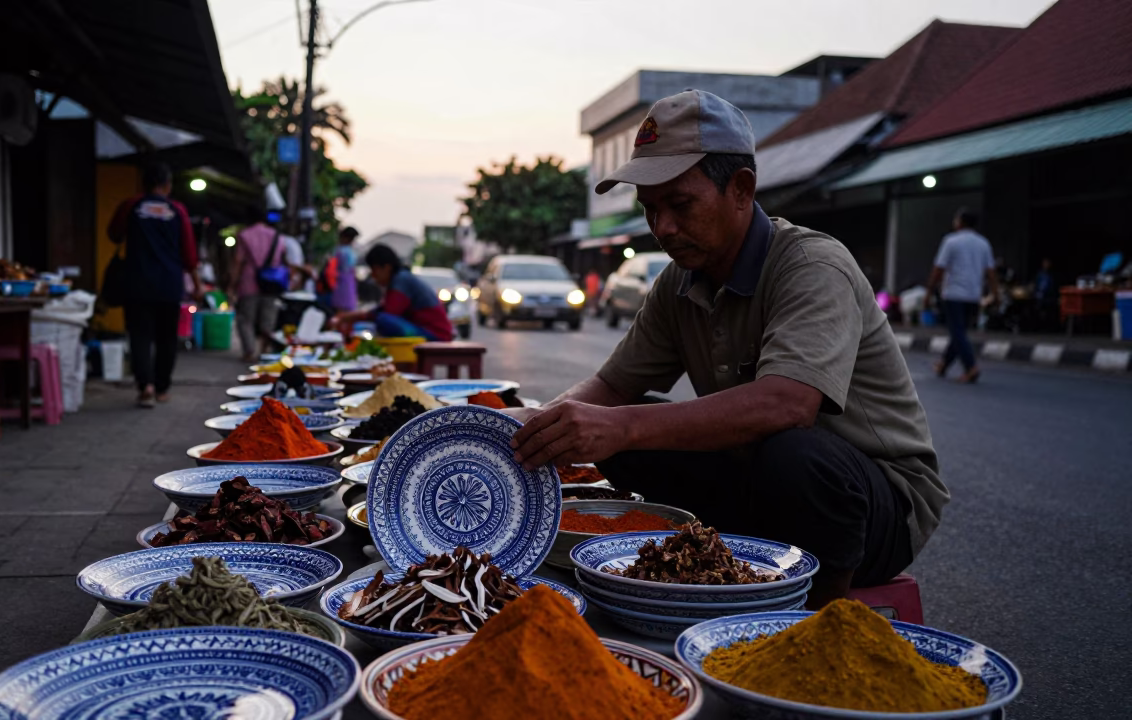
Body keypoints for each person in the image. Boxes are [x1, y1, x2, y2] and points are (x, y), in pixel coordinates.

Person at [507, 91, 946, 609]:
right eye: (651, 210)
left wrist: (619, 426)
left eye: (680, 205)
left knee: (793, 452)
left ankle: (818, 618)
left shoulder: (812, 265)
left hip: (875, 509)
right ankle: (706, 569)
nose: (662, 228)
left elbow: (787, 404)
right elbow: (611, 387)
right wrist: (533, 428)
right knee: (630, 428)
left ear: (740, 190)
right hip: (757, 483)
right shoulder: (679, 282)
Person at [107, 162, 203, 408]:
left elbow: (114, 234)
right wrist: (197, 285)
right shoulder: (178, 211)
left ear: (144, 184)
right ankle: (161, 389)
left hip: (137, 283)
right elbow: (189, 255)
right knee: (167, 338)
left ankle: (145, 386)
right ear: (167, 185)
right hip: (169, 285)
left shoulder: (131, 206)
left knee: (139, 336)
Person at [924, 209, 1000, 384]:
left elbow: (938, 269)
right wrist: (996, 294)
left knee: (957, 331)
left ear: (960, 222)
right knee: (959, 332)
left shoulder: (951, 241)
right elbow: (991, 272)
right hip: (974, 295)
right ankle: (944, 364)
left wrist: (929, 292)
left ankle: (971, 367)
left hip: (954, 294)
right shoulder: (983, 243)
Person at [332, 245, 454, 341]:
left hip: (436, 334)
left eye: (375, 271)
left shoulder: (401, 280)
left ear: (387, 267)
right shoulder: (399, 279)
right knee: (367, 326)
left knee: (383, 321)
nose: (374, 276)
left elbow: (389, 313)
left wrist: (352, 317)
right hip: (425, 329)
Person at [229, 206, 285, 362]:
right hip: (272, 282)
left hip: (249, 282)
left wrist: (232, 284)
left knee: (246, 318)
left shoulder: (245, 235)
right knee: (268, 320)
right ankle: (264, 351)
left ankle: (249, 351)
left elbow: (238, 261)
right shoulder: (277, 236)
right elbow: (282, 259)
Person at [317, 226, 360, 313]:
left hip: (339, 284)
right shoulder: (351, 252)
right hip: (348, 283)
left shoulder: (339, 251)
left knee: (339, 310)